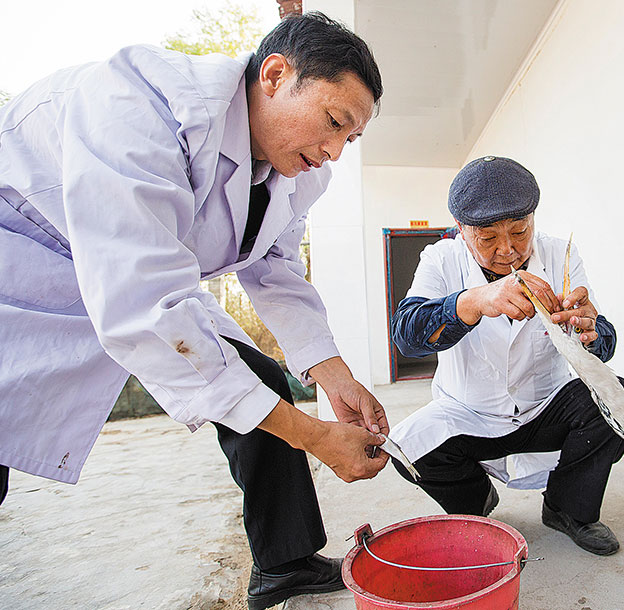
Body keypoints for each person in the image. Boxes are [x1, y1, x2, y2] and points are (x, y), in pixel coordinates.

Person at [0, 12, 390, 610]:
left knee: (256, 377)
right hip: (23, 276)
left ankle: (283, 562)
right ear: (276, 74)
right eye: (333, 123)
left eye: (350, 139)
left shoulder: (298, 173)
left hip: (126, 278)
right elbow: (147, 302)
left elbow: (275, 269)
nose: (334, 150)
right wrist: (315, 437)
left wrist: (335, 377)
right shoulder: (140, 104)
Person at [390, 156, 624, 556]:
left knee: (617, 398)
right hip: (469, 414)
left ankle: (568, 509)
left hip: (545, 408)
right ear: (462, 232)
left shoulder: (559, 256)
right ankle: (476, 501)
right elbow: (408, 335)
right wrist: (476, 301)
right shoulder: (440, 259)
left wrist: (591, 333)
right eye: (488, 239)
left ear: (533, 219)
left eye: (520, 232)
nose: (509, 251)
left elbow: (603, 344)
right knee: (409, 450)